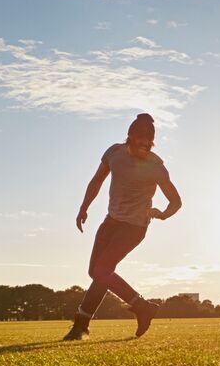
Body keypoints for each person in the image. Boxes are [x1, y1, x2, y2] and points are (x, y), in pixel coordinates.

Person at [63, 113, 181, 341]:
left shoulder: (156, 166)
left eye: (149, 142)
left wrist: (163, 214)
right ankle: (83, 326)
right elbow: (97, 180)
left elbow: (176, 202)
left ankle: (88, 322)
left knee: (102, 271)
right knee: (96, 272)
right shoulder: (114, 153)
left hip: (134, 227)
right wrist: (83, 208)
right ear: (129, 137)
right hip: (111, 221)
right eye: (140, 140)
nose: (144, 145)